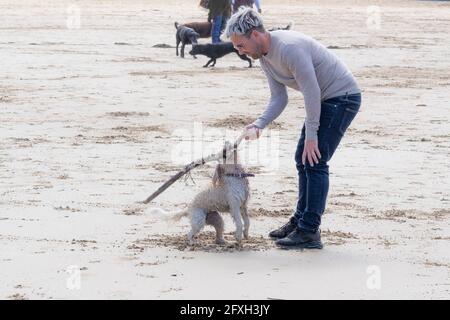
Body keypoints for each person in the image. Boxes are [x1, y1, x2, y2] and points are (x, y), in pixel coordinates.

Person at [225, 8, 361, 249]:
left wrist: (312, 136)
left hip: (342, 98)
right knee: (302, 159)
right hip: (325, 100)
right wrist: (259, 123)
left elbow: (312, 91)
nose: (239, 51)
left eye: (240, 45)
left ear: (255, 35)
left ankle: (309, 231)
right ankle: (300, 221)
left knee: (315, 161)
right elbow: (279, 98)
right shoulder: (264, 57)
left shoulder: (289, 48)